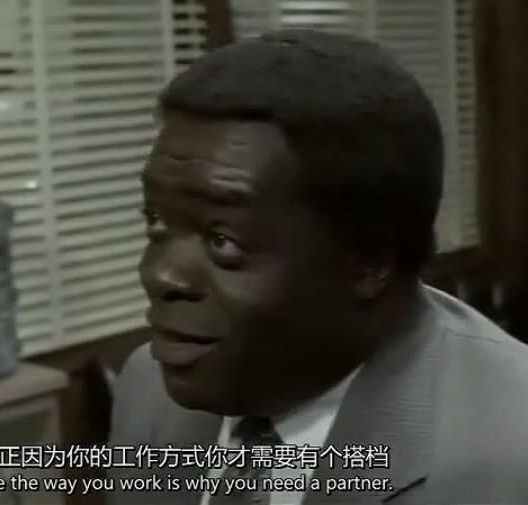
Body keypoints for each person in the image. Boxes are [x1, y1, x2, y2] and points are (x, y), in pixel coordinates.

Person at [107, 29, 528, 505]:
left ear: (369, 260)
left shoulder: (512, 452)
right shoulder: (148, 388)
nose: (160, 275)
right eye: (156, 220)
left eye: (222, 240)